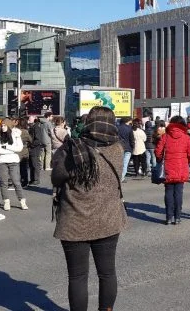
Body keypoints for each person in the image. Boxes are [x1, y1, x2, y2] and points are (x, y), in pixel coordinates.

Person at [51, 106, 127, 311]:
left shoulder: (71, 149)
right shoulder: (118, 148)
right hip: (109, 218)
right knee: (107, 272)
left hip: (75, 219)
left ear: (88, 122)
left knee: (77, 276)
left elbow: (56, 177)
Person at [156, 116, 190, 225]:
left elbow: (158, 151)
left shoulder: (165, 136)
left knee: (168, 192)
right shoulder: (186, 137)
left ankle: (169, 217)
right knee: (178, 193)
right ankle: (177, 217)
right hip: (181, 167)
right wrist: (186, 161)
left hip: (168, 167)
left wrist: (160, 159)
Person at [0, 119, 27, 211]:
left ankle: (22, 201)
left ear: (9, 125)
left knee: (16, 182)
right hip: (2, 162)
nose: (2, 127)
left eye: (4, 125)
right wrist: (12, 149)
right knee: (3, 183)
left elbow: (19, 148)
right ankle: (6, 202)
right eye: (1, 125)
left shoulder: (16, 135)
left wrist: (6, 146)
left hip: (14, 161)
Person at [17, 118, 33, 188]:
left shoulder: (15, 131)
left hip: (16, 151)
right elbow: (30, 140)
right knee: (24, 167)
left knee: (16, 167)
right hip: (24, 150)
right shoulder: (25, 132)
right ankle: (24, 182)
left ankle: (17, 181)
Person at [117, 118, 134, 183]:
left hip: (118, 147)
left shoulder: (117, 128)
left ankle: (118, 177)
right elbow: (132, 139)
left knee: (119, 163)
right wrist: (133, 147)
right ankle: (121, 178)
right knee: (125, 163)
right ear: (128, 121)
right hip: (127, 147)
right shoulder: (129, 129)